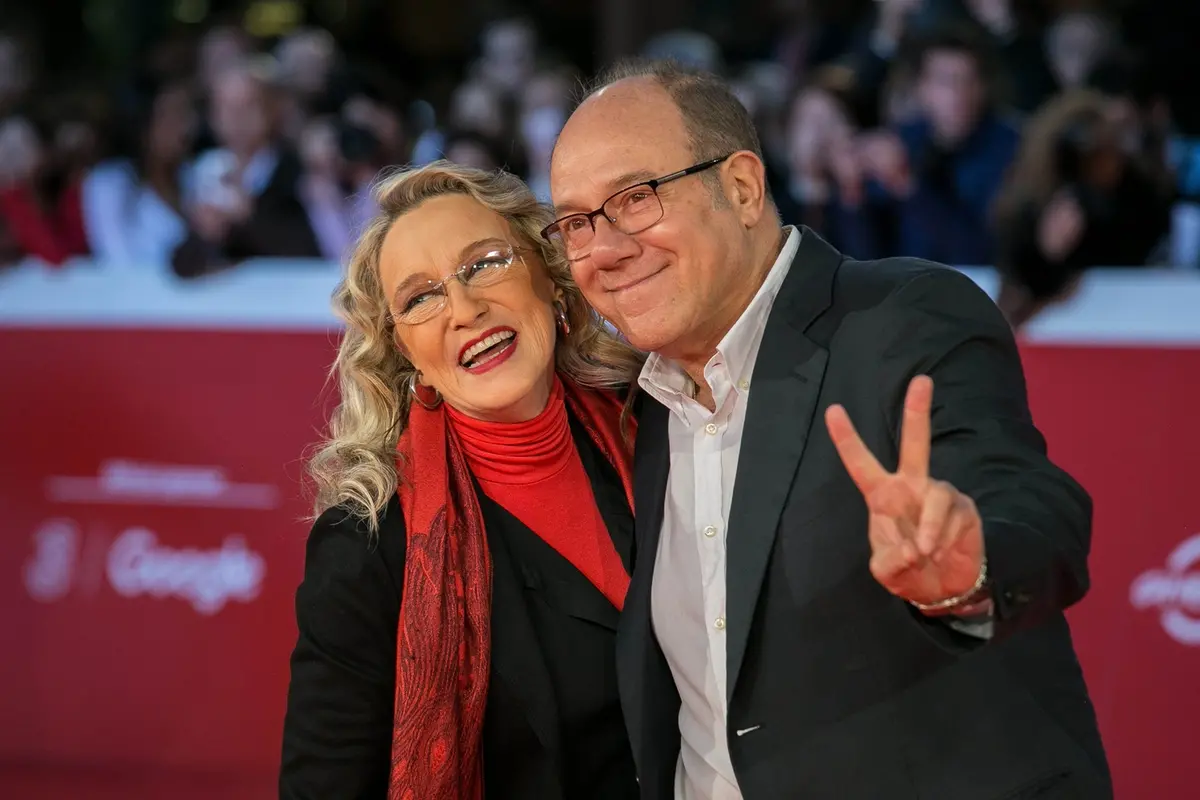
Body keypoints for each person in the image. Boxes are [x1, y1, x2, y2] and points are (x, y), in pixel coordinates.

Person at [546, 60, 1111, 799]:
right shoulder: (632, 401)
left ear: (743, 188)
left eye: (635, 198)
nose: (605, 249)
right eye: (577, 223)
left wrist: (967, 569)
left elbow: (1025, 503)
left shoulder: (902, 316)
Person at [280, 161, 645, 800]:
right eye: (420, 297)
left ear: (551, 279)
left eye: (485, 264)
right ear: (401, 350)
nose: (464, 309)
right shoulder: (365, 545)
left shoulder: (659, 430)